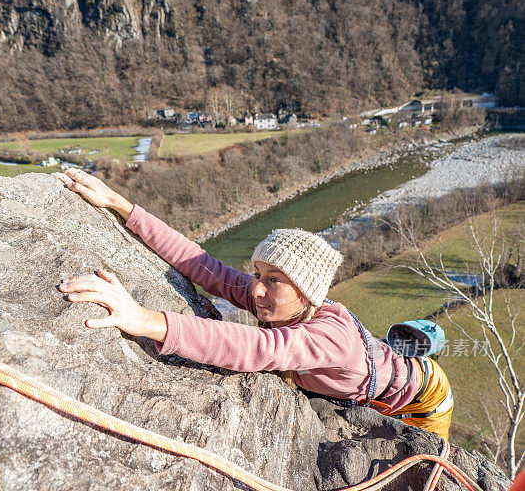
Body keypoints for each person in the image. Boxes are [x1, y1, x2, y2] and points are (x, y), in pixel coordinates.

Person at [57, 168, 454, 439]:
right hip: (375, 381)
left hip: (424, 397)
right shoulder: (277, 301)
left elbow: (259, 349)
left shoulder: (332, 338)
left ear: (307, 293)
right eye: (258, 275)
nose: (257, 290)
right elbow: (202, 265)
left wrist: (143, 320)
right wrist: (120, 204)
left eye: (274, 280)